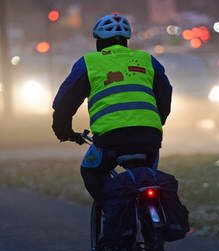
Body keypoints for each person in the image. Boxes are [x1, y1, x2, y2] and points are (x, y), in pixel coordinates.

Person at [52, 13, 172, 207]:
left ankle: (114, 213)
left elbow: (65, 102)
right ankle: (152, 221)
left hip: (110, 140)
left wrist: (62, 130)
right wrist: (158, 121)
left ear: (99, 41)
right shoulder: (148, 60)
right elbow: (165, 93)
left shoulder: (89, 63)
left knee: (90, 171)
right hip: (149, 138)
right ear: (126, 41)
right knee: (148, 178)